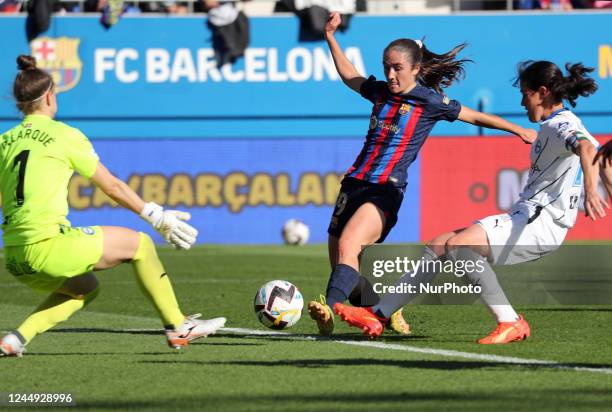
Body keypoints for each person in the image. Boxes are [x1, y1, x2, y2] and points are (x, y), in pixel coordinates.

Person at [334, 60, 609, 343]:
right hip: (530, 217)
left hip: (540, 222)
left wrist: (590, 187)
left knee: (459, 246)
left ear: (542, 92)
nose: (522, 101)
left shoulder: (559, 125)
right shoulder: (561, 124)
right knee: (439, 245)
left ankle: (510, 321)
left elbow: (587, 148)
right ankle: (379, 313)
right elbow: (599, 155)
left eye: (525, 93)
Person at [308, 12, 537, 336]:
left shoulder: (429, 101)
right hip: (354, 185)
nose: (390, 74)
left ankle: (329, 311)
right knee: (345, 267)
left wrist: (517, 129)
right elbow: (351, 77)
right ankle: (386, 308)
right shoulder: (380, 92)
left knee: (349, 245)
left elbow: (474, 116)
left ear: (415, 69)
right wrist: (331, 37)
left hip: (384, 192)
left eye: (397, 67)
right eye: (386, 66)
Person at [0, 55, 226, 357]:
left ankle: (16, 339)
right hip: (48, 247)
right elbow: (112, 186)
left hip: (15, 257)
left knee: (85, 287)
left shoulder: (5, 141)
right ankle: (178, 325)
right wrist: (154, 215)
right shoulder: (64, 135)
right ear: (51, 96)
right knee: (141, 245)